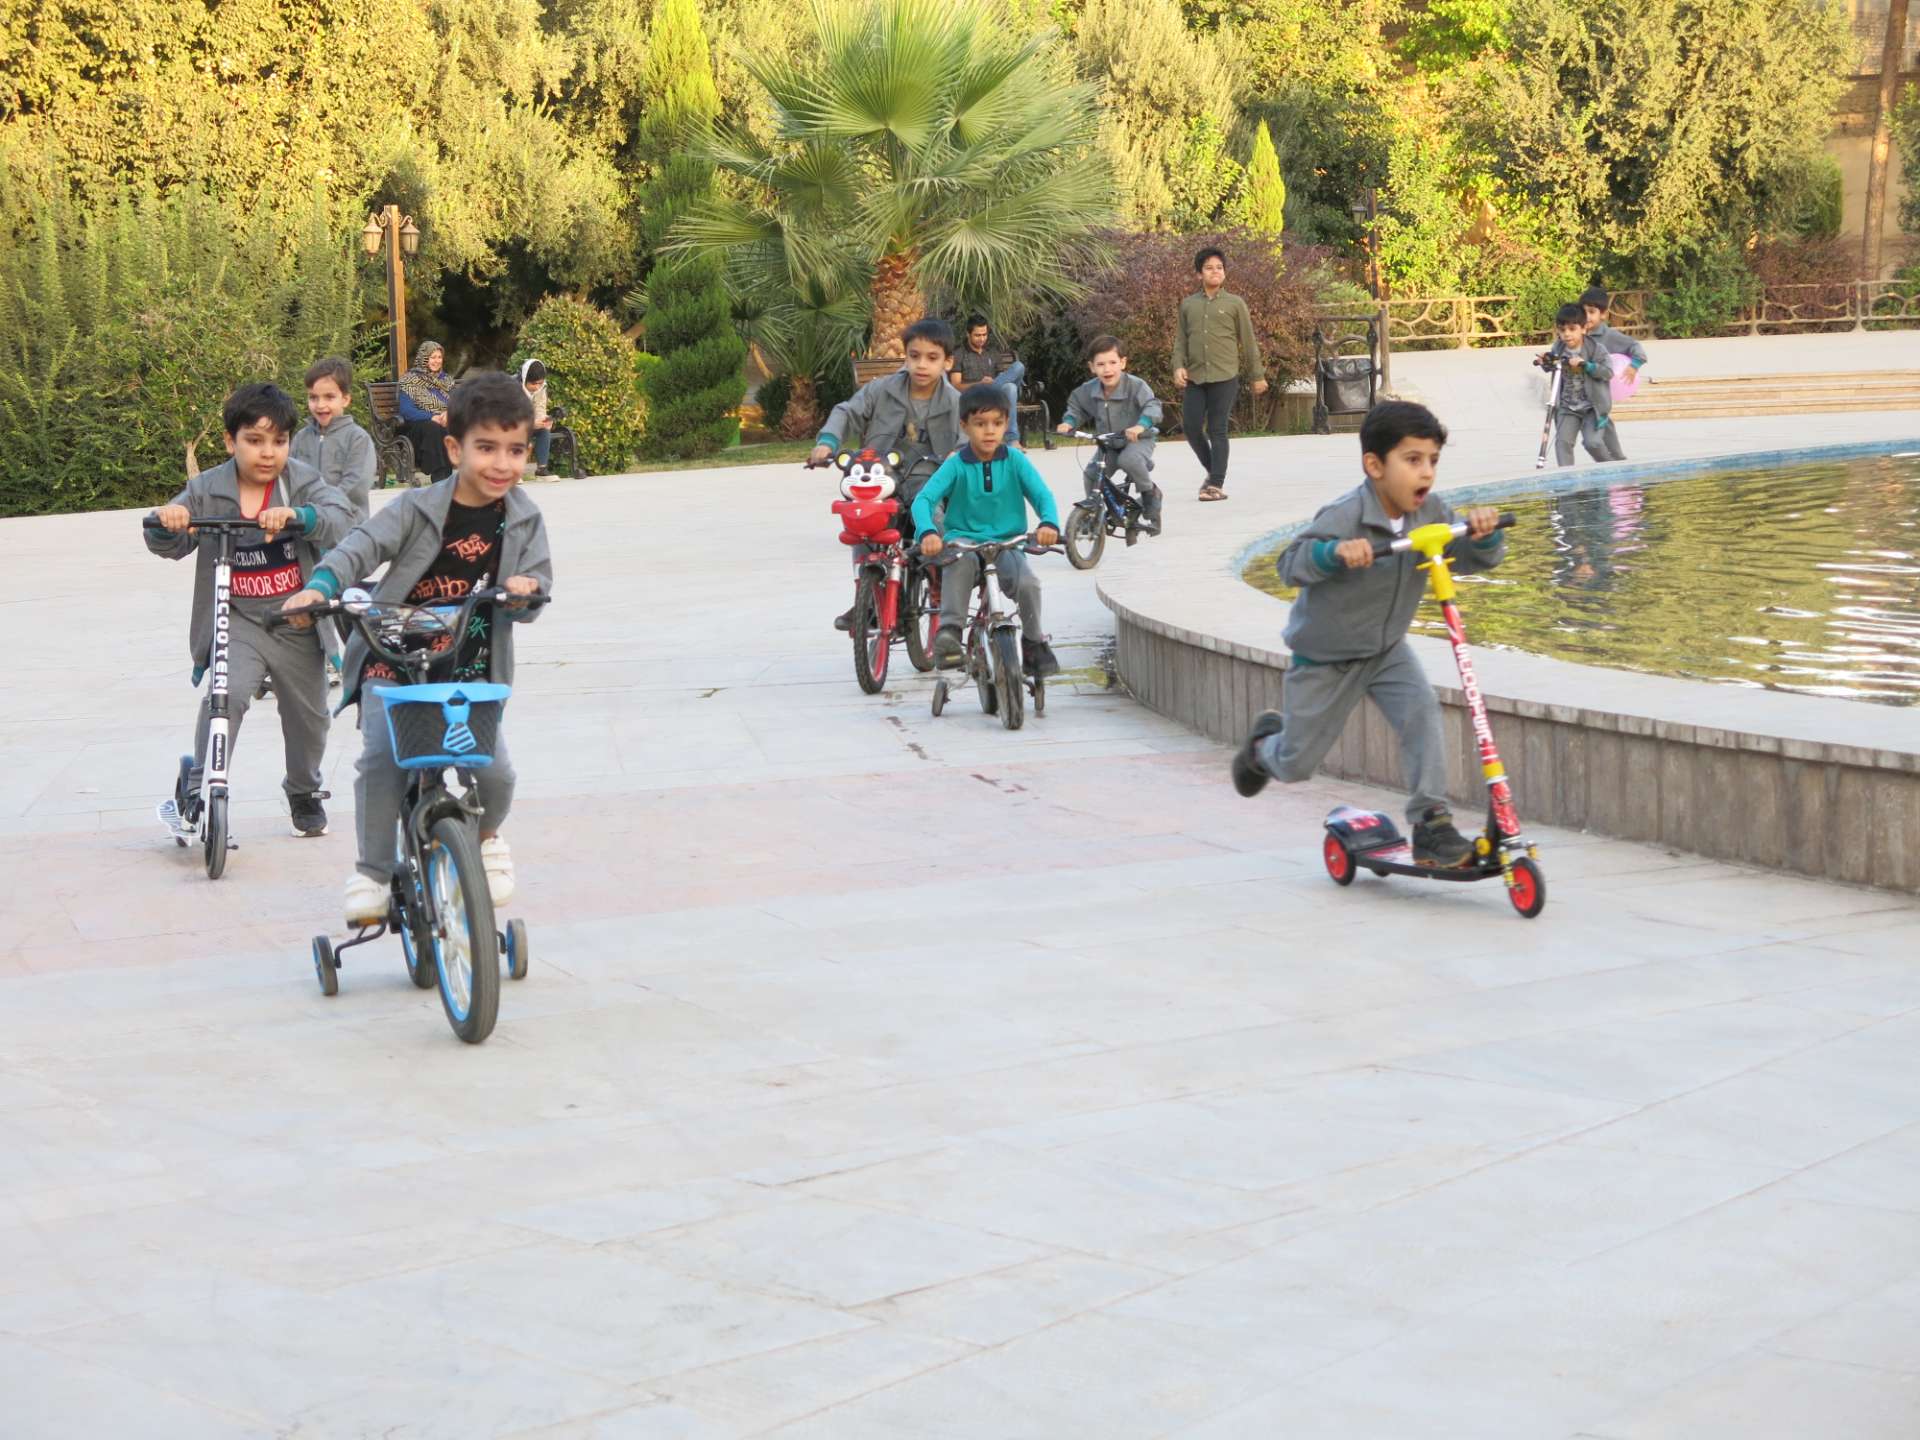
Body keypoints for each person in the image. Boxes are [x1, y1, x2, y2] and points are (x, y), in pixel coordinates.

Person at [280, 372, 553, 927]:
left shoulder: (524, 518)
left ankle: (486, 837)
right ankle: (373, 872)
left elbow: (536, 584)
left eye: (516, 450)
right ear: (454, 449)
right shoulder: (417, 507)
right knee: (383, 757)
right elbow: (359, 547)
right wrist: (320, 587)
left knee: (496, 773)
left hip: (471, 665)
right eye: (486, 448)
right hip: (393, 657)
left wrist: (527, 590)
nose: (502, 463)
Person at [1228, 400, 1504, 866]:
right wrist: (1334, 554)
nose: (1426, 472)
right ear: (1374, 465)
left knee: (1422, 712)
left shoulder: (1432, 512)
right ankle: (1262, 748)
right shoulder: (1345, 515)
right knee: (1295, 764)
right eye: (1412, 460)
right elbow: (1289, 565)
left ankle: (1431, 823)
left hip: (1386, 650)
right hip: (1326, 657)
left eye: (1433, 461)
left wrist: (1483, 536)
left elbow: (1469, 559)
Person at [147, 382, 354, 838]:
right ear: (230, 441)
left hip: (296, 621)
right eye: (254, 440)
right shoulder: (207, 488)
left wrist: (300, 516)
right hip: (237, 619)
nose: (267, 453)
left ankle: (303, 789)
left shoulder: (299, 480)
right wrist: (168, 523)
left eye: (278, 441)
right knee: (227, 696)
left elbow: (340, 517)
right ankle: (201, 782)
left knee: (309, 715)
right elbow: (169, 540)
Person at [811, 318, 963, 631]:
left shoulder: (955, 402)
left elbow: (968, 434)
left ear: (947, 362)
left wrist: (959, 453)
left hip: (928, 479)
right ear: (905, 356)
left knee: (932, 516)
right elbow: (847, 411)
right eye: (914, 356)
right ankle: (868, 595)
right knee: (861, 516)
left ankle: (941, 580)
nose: (922, 365)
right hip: (881, 476)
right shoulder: (882, 389)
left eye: (932, 358)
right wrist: (827, 442)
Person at [913, 383, 1062, 679]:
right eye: (980, 424)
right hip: (965, 541)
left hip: (1007, 543)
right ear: (964, 426)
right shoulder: (956, 465)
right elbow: (924, 500)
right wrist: (928, 531)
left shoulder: (1015, 460)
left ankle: (1033, 643)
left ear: (1007, 424)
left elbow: (1042, 495)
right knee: (959, 563)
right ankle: (950, 632)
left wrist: (1049, 523)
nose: (989, 431)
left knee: (1028, 584)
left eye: (997, 423)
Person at [292, 356, 380, 685]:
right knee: (312, 595)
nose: (321, 405)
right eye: (313, 397)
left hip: (347, 535)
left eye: (329, 397)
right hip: (308, 533)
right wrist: (298, 513)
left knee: (345, 604)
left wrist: (324, 511)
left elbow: (355, 484)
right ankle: (329, 660)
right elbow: (290, 479)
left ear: (346, 398)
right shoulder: (300, 439)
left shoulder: (357, 439)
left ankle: (364, 656)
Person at [1172, 246, 1268, 502]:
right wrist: (1178, 365)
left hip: (1225, 376)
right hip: (1195, 376)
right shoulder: (1188, 305)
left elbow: (1248, 341)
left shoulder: (1235, 303)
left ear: (1224, 272)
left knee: (1218, 429)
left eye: (1219, 267)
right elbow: (1181, 340)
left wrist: (1257, 375)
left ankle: (1215, 483)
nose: (1215, 271)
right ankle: (1214, 471)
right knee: (1191, 427)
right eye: (1209, 268)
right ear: (1199, 274)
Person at [1057, 334, 1164, 538]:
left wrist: (1141, 426)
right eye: (1101, 364)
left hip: (1139, 440)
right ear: (1092, 367)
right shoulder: (1088, 390)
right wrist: (1068, 422)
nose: (1107, 369)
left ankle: (1150, 493)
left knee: (1129, 459)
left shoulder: (1136, 386)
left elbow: (1153, 406)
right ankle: (1092, 512)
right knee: (1092, 473)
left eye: (1113, 363)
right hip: (1110, 442)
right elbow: (1076, 407)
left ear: (1123, 363)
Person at [1539, 303, 1624, 466]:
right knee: (1562, 443)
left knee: (1593, 443)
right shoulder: (1558, 348)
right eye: (1562, 330)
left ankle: (1611, 468)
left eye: (1572, 329)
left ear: (1584, 329)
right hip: (1567, 407)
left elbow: (1608, 372)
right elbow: (1552, 367)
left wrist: (1587, 365)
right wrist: (1546, 361)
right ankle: (1567, 477)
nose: (1566, 334)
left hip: (1592, 407)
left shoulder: (1596, 349)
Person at [949, 315, 1026, 430]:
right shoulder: (959, 354)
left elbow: (1002, 376)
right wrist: (980, 384)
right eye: (977, 335)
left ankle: (1011, 437)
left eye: (984, 335)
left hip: (995, 397)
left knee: (1017, 369)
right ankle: (1012, 437)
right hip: (973, 397)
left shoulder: (992, 352)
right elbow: (956, 386)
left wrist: (994, 382)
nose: (982, 339)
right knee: (1011, 388)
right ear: (968, 334)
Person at [396, 339, 457, 483]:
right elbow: (406, 411)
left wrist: (449, 413)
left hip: (441, 426)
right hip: (415, 430)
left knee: (449, 427)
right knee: (433, 427)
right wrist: (431, 416)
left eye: (439, 357)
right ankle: (441, 479)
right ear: (424, 359)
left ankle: (445, 479)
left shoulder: (446, 380)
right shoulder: (409, 381)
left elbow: (457, 403)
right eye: (432, 357)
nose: (437, 361)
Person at [1579, 287, 1649, 380]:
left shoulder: (1610, 336)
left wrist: (1633, 366)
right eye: (1583, 312)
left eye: (1591, 312)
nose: (1586, 316)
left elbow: (1635, 346)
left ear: (1603, 314)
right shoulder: (1576, 334)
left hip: (1602, 386)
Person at [520, 358, 557, 477]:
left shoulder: (542, 388)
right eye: (533, 383)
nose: (537, 387)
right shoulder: (512, 387)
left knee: (544, 431)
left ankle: (542, 469)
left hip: (529, 425)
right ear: (525, 379)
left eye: (539, 383)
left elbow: (540, 407)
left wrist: (543, 420)